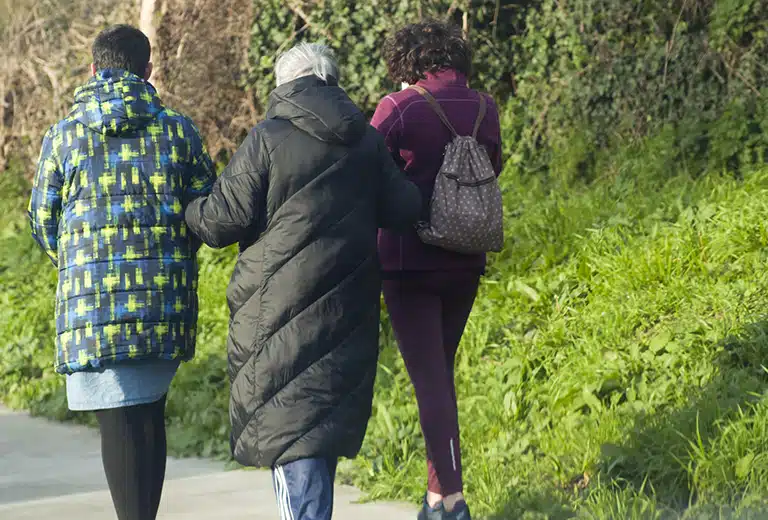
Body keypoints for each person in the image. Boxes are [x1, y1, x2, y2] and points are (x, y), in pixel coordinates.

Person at [185, 42, 421, 520]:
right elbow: (405, 208)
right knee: (319, 424)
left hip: (277, 309)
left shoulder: (268, 138)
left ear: (284, 85)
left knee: (294, 431)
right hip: (346, 305)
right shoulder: (368, 140)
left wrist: (188, 205)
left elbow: (219, 222)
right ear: (330, 81)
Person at [28, 25, 216, 520]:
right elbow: (208, 208)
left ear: (92, 69)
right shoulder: (178, 129)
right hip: (162, 298)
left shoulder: (64, 135)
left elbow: (42, 221)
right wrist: (174, 256)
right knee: (148, 410)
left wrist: (78, 264)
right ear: (148, 70)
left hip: (92, 300)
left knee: (119, 418)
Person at [370, 20, 504, 520]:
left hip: (407, 262)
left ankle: (454, 500)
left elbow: (365, 170)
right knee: (438, 375)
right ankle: (435, 498)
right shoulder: (485, 106)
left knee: (430, 381)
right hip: (465, 257)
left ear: (408, 62)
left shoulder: (398, 107)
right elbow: (493, 164)